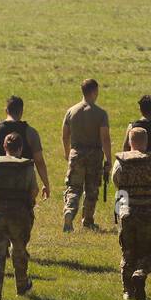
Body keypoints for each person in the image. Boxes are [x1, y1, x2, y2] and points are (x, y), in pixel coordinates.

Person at [113, 127, 151, 300]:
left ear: (130, 142)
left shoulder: (120, 161)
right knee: (149, 250)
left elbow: (116, 183)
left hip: (127, 211)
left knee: (128, 252)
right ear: (145, 142)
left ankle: (127, 291)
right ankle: (141, 272)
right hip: (149, 211)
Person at [0, 132, 38, 300]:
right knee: (19, 250)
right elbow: (34, 190)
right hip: (20, 215)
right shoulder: (27, 166)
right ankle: (21, 285)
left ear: (4, 147)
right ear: (20, 148)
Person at [0, 95, 51, 208]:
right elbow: (39, 161)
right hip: (22, 190)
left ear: (6, 110)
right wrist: (46, 184)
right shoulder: (31, 132)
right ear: (21, 111)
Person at [62, 78, 112, 231]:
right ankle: (88, 221)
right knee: (91, 189)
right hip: (94, 155)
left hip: (76, 153)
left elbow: (65, 135)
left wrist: (67, 152)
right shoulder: (101, 114)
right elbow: (105, 138)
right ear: (94, 92)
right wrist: (108, 159)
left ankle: (69, 212)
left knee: (74, 187)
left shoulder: (71, 111)